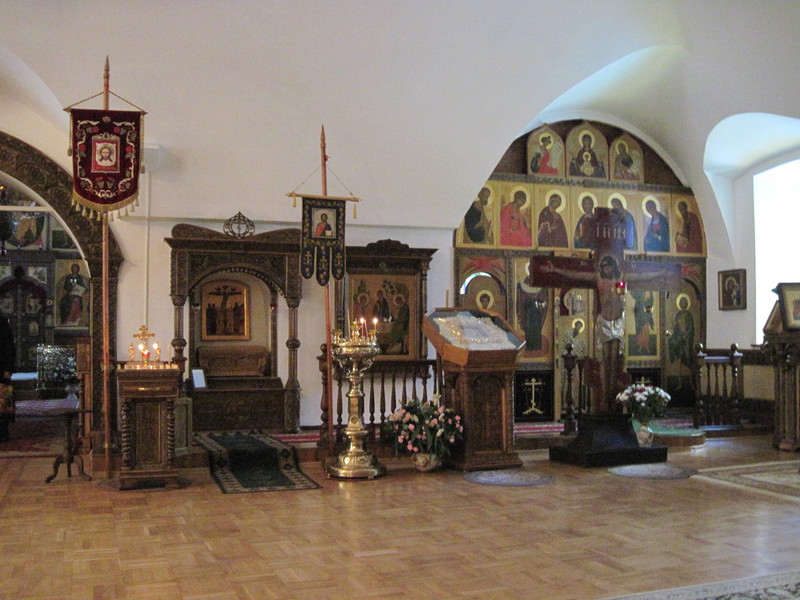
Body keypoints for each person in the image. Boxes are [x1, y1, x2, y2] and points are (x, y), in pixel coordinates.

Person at [668, 295, 695, 369]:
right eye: (681, 302)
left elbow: (691, 328)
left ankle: (685, 361)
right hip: (678, 334)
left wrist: (686, 334)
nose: (683, 304)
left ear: (686, 304)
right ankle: (673, 361)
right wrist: (674, 327)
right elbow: (675, 327)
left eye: (684, 302)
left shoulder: (689, 315)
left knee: (684, 342)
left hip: (687, 335)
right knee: (671, 340)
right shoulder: (677, 314)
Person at [0, 314, 15, 442]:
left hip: (1, 368)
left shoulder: (2, 323)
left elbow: (9, 347)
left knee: (3, 401)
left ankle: (3, 432)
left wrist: (8, 368)